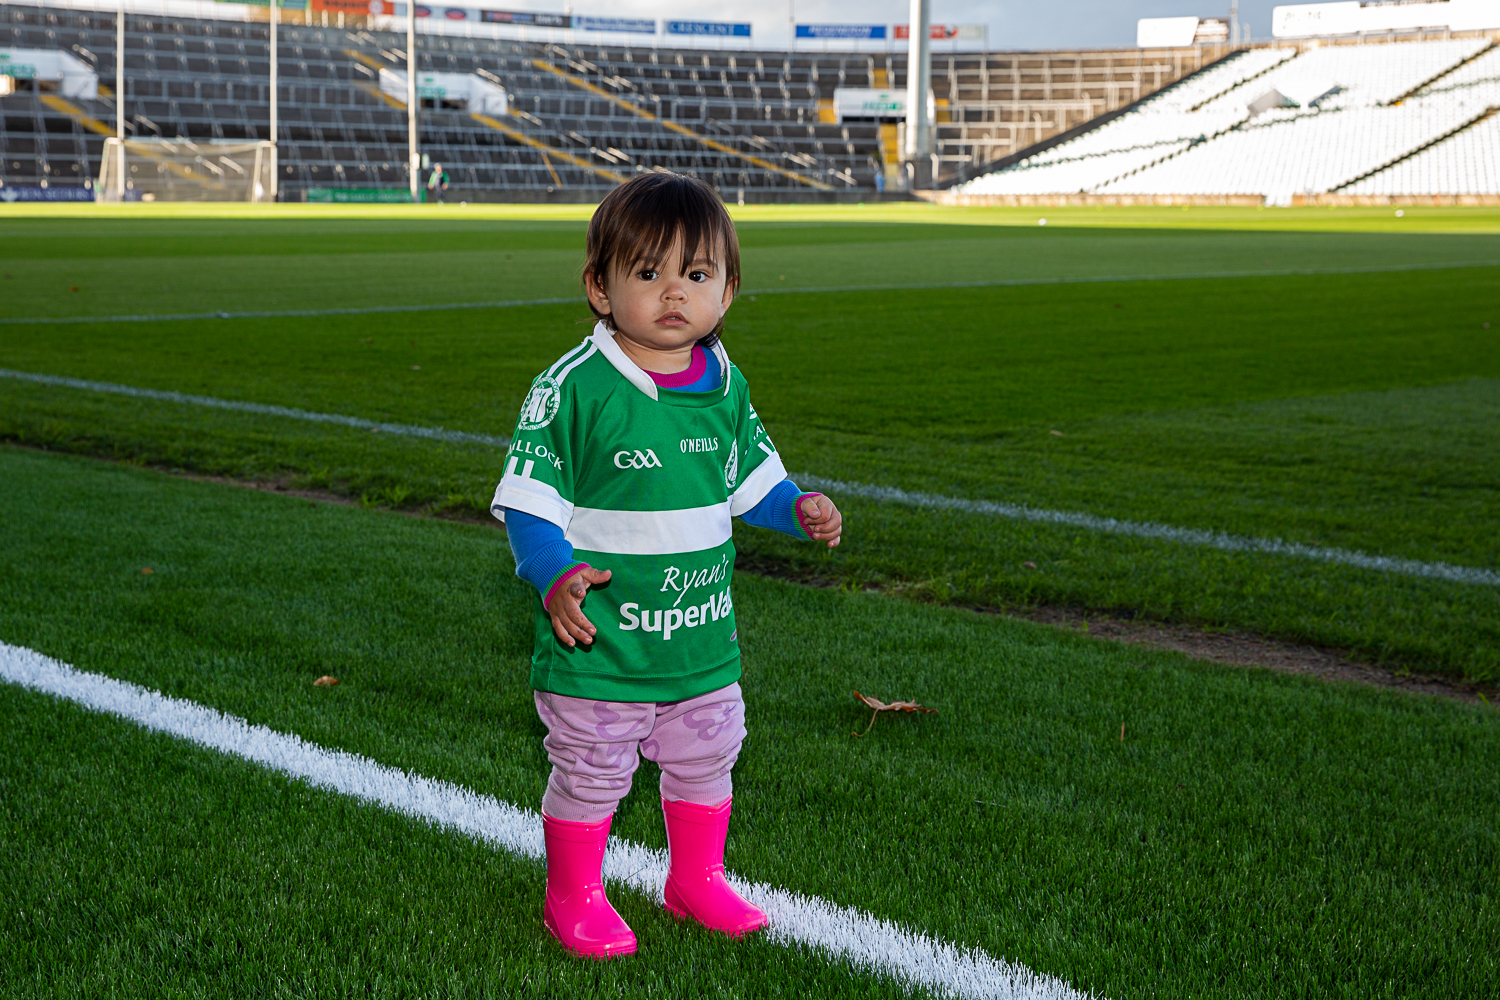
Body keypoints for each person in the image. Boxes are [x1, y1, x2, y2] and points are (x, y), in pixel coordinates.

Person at [491, 171, 843, 959]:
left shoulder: (725, 385)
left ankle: (695, 879)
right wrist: (555, 574)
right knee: (591, 771)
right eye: (647, 273)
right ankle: (573, 894)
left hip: (698, 642)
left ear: (728, 291)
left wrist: (796, 508)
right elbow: (530, 502)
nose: (673, 293)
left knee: (708, 756)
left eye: (696, 274)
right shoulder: (574, 390)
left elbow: (751, 481)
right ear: (599, 287)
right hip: (603, 647)